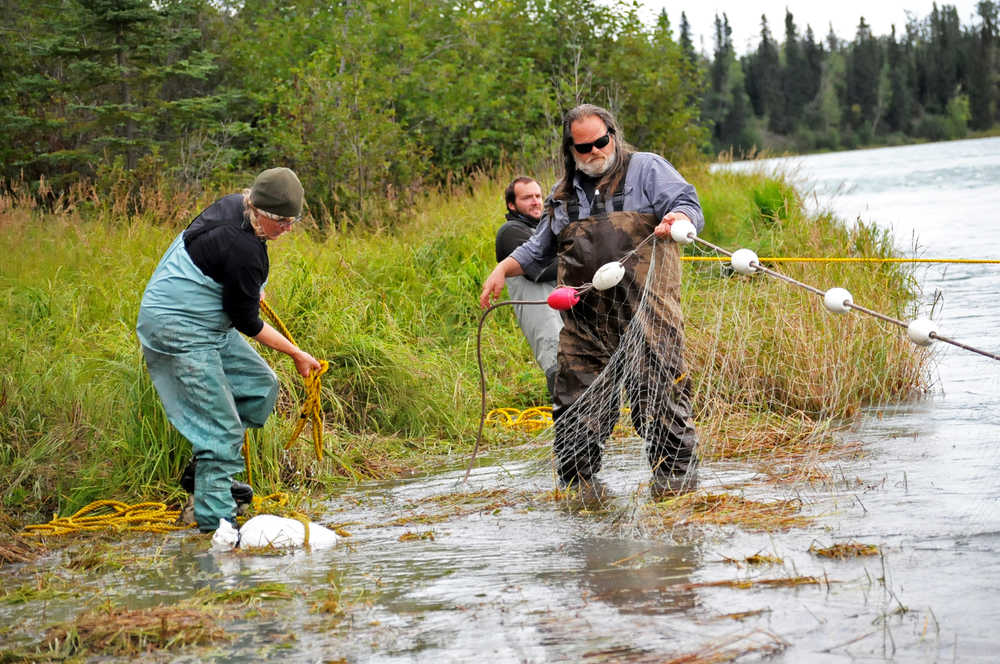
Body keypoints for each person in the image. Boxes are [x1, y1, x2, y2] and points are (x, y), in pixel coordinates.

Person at [480, 104, 704, 498]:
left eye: (602, 142)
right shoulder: (562, 196)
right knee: (575, 413)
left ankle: (677, 495)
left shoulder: (648, 169)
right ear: (571, 150)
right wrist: (503, 269)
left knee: (662, 406)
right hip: (585, 328)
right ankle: (581, 500)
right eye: (584, 148)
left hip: (649, 318)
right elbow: (538, 248)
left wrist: (677, 222)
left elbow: (688, 205)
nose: (595, 152)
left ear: (613, 136)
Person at [137, 167, 321, 532]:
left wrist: (251, 289)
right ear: (258, 209)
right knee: (221, 432)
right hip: (178, 329)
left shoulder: (238, 210)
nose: (287, 229)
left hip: (209, 322)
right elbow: (248, 323)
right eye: (280, 221)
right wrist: (297, 353)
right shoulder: (243, 247)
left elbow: (232, 280)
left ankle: (206, 475)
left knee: (259, 388)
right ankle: (215, 528)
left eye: (293, 220)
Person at [494, 176, 563, 400]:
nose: (535, 202)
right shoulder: (510, 232)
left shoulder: (546, 231)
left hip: (563, 313)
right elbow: (539, 270)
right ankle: (570, 430)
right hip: (545, 323)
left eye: (538, 196)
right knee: (560, 374)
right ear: (511, 205)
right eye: (527, 198)